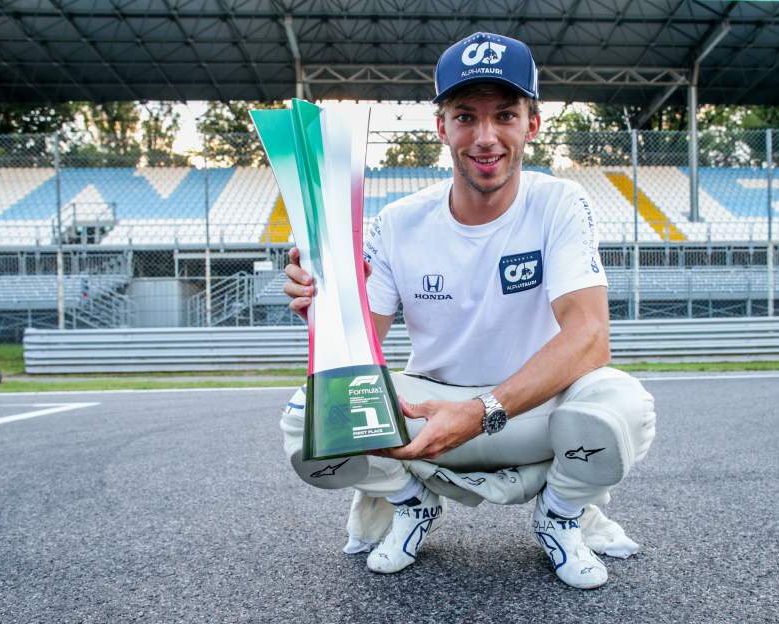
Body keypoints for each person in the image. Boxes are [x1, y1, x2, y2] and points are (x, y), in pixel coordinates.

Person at [280, 32, 656, 589]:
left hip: (532, 411)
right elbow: (364, 349)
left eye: (504, 114)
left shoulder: (560, 202)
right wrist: (329, 309)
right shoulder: (397, 222)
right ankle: (411, 504)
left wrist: (483, 411)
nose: (485, 137)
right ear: (442, 127)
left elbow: (590, 337)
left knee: (620, 408)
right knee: (307, 418)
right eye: (464, 116)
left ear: (531, 124)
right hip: (430, 407)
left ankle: (560, 516)